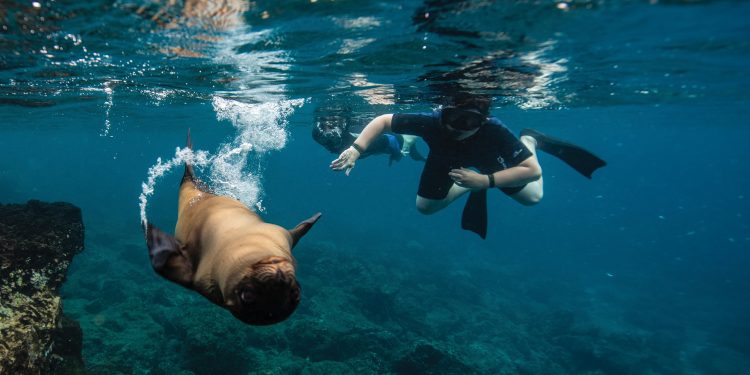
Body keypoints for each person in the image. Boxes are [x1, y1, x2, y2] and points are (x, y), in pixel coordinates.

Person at [330, 95, 606, 238]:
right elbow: (383, 121)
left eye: (469, 122)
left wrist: (488, 182)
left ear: (482, 120)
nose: (457, 128)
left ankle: (531, 139)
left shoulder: (494, 131)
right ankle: (471, 178)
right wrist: (356, 149)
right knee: (425, 208)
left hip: (490, 160)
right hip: (446, 157)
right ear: (442, 113)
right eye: (452, 118)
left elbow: (532, 171)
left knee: (532, 197)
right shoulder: (430, 121)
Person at [313, 111, 425, 165]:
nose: (328, 133)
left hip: (390, 140)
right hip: (372, 147)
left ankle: (413, 148)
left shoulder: (359, 138)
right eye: (324, 126)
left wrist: (398, 151)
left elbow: (390, 140)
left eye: (331, 126)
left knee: (411, 151)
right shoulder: (317, 135)